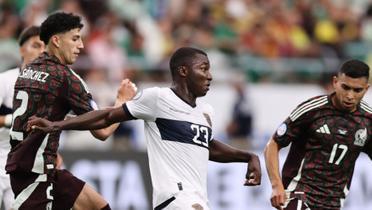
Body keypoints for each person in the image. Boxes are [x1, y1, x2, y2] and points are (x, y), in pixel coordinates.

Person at [27, 47, 262, 210]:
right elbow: (107, 116)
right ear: (183, 71)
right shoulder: (158, 99)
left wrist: (247, 156)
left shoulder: (205, 112)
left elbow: (208, 147)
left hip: (197, 199)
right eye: (204, 69)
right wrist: (58, 124)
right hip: (176, 199)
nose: (209, 76)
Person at [5, 12, 136, 210]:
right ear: (56, 40)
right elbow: (103, 132)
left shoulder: (27, 71)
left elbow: (42, 113)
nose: (81, 46)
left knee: (98, 206)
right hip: (36, 173)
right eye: (75, 38)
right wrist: (122, 100)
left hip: (35, 165)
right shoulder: (66, 79)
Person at [264, 59, 372, 210]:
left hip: (334, 201)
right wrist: (276, 185)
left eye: (357, 90)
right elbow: (273, 144)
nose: (349, 95)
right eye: (345, 87)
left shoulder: (368, 120)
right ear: (335, 82)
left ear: (366, 89)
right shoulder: (313, 110)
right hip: (299, 193)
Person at [0, 25, 45, 210]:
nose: (41, 51)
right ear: (21, 49)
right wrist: (13, 121)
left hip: (23, 165)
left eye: (44, 47)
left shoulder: (48, 87)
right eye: (35, 45)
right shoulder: (5, 80)